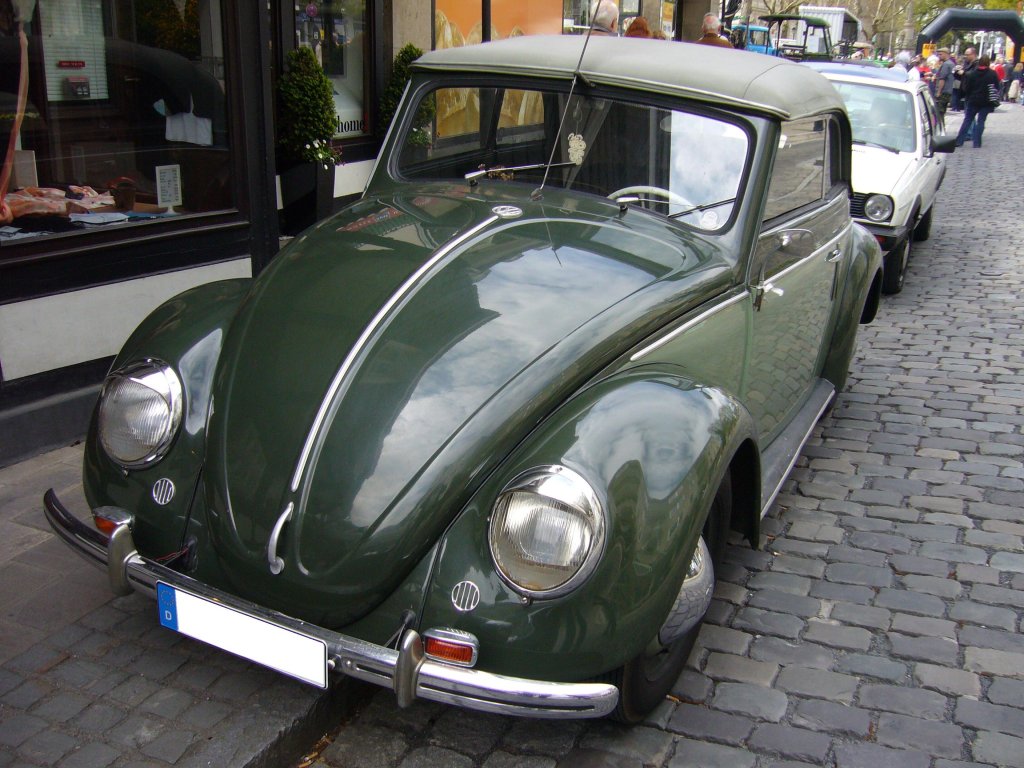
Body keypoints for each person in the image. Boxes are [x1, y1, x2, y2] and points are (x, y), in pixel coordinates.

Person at [955, 54, 1000, 148]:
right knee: (981, 121)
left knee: (967, 120)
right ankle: (977, 143)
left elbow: (967, 88)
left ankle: (959, 141)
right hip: (986, 101)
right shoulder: (992, 74)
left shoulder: (972, 73)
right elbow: (996, 87)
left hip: (973, 99)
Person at [952, 47, 977, 112]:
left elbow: (975, 75)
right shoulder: (967, 64)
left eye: (967, 55)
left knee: (969, 113)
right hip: (966, 92)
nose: (965, 56)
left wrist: (964, 73)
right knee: (968, 114)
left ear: (973, 55)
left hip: (973, 92)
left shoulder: (977, 64)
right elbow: (962, 77)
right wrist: (956, 72)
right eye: (965, 55)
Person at [933, 47, 955, 118]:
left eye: (940, 54)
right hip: (949, 91)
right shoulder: (952, 63)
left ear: (946, 54)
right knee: (942, 111)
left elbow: (942, 79)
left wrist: (938, 92)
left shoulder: (946, 64)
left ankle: (940, 124)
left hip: (943, 92)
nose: (939, 56)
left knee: (939, 112)